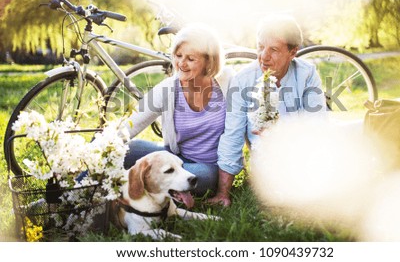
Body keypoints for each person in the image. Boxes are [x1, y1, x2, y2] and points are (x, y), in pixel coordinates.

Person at [207, 14, 326, 207]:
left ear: (293, 52)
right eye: (260, 47)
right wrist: (223, 193)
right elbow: (232, 135)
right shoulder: (243, 80)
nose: (264, 56)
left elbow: (317, 125)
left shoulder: (307, 74)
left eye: (274, 50)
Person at [123, 23, 234, 204]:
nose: (181, 64)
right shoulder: (168, 88)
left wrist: (224, 192)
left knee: (203, 176)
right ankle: (72, 190)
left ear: (209, 61)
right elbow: (130, 125)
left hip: (208, 168)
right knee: (128, 148)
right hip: (174, 158)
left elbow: (240, 131)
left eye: (191, 58)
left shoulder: (227, 81)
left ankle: (146, 183)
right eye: (178, 56)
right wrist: (95, 149)